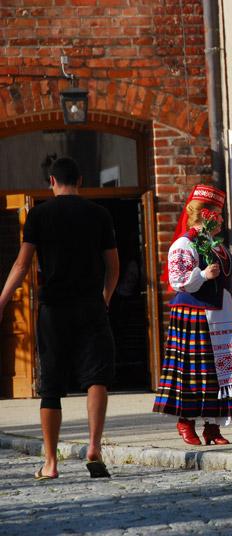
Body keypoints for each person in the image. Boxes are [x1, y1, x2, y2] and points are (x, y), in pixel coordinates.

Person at [0, 156, 118, 480]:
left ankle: (50, 463)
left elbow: (22, 265)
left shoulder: (39, 214)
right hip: (91, 306)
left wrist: (2, 300)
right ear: (80, 181)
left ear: (51, 182)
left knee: (51, 386)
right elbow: (113, 266)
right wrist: (104, 299)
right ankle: (94, 446)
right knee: (97, 377)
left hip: (53, 309)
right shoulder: (99, 214)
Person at [152, 184, 232, 445]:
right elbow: (178, 280)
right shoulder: (183, 244)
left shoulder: (216, 246)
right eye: (217, 214)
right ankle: (185, 422)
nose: (221, 219)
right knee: (192, 372)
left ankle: (212, 428)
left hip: (219, 314)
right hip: (194, 315)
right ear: (205, 215)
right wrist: (203, 275)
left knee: (215, 373)